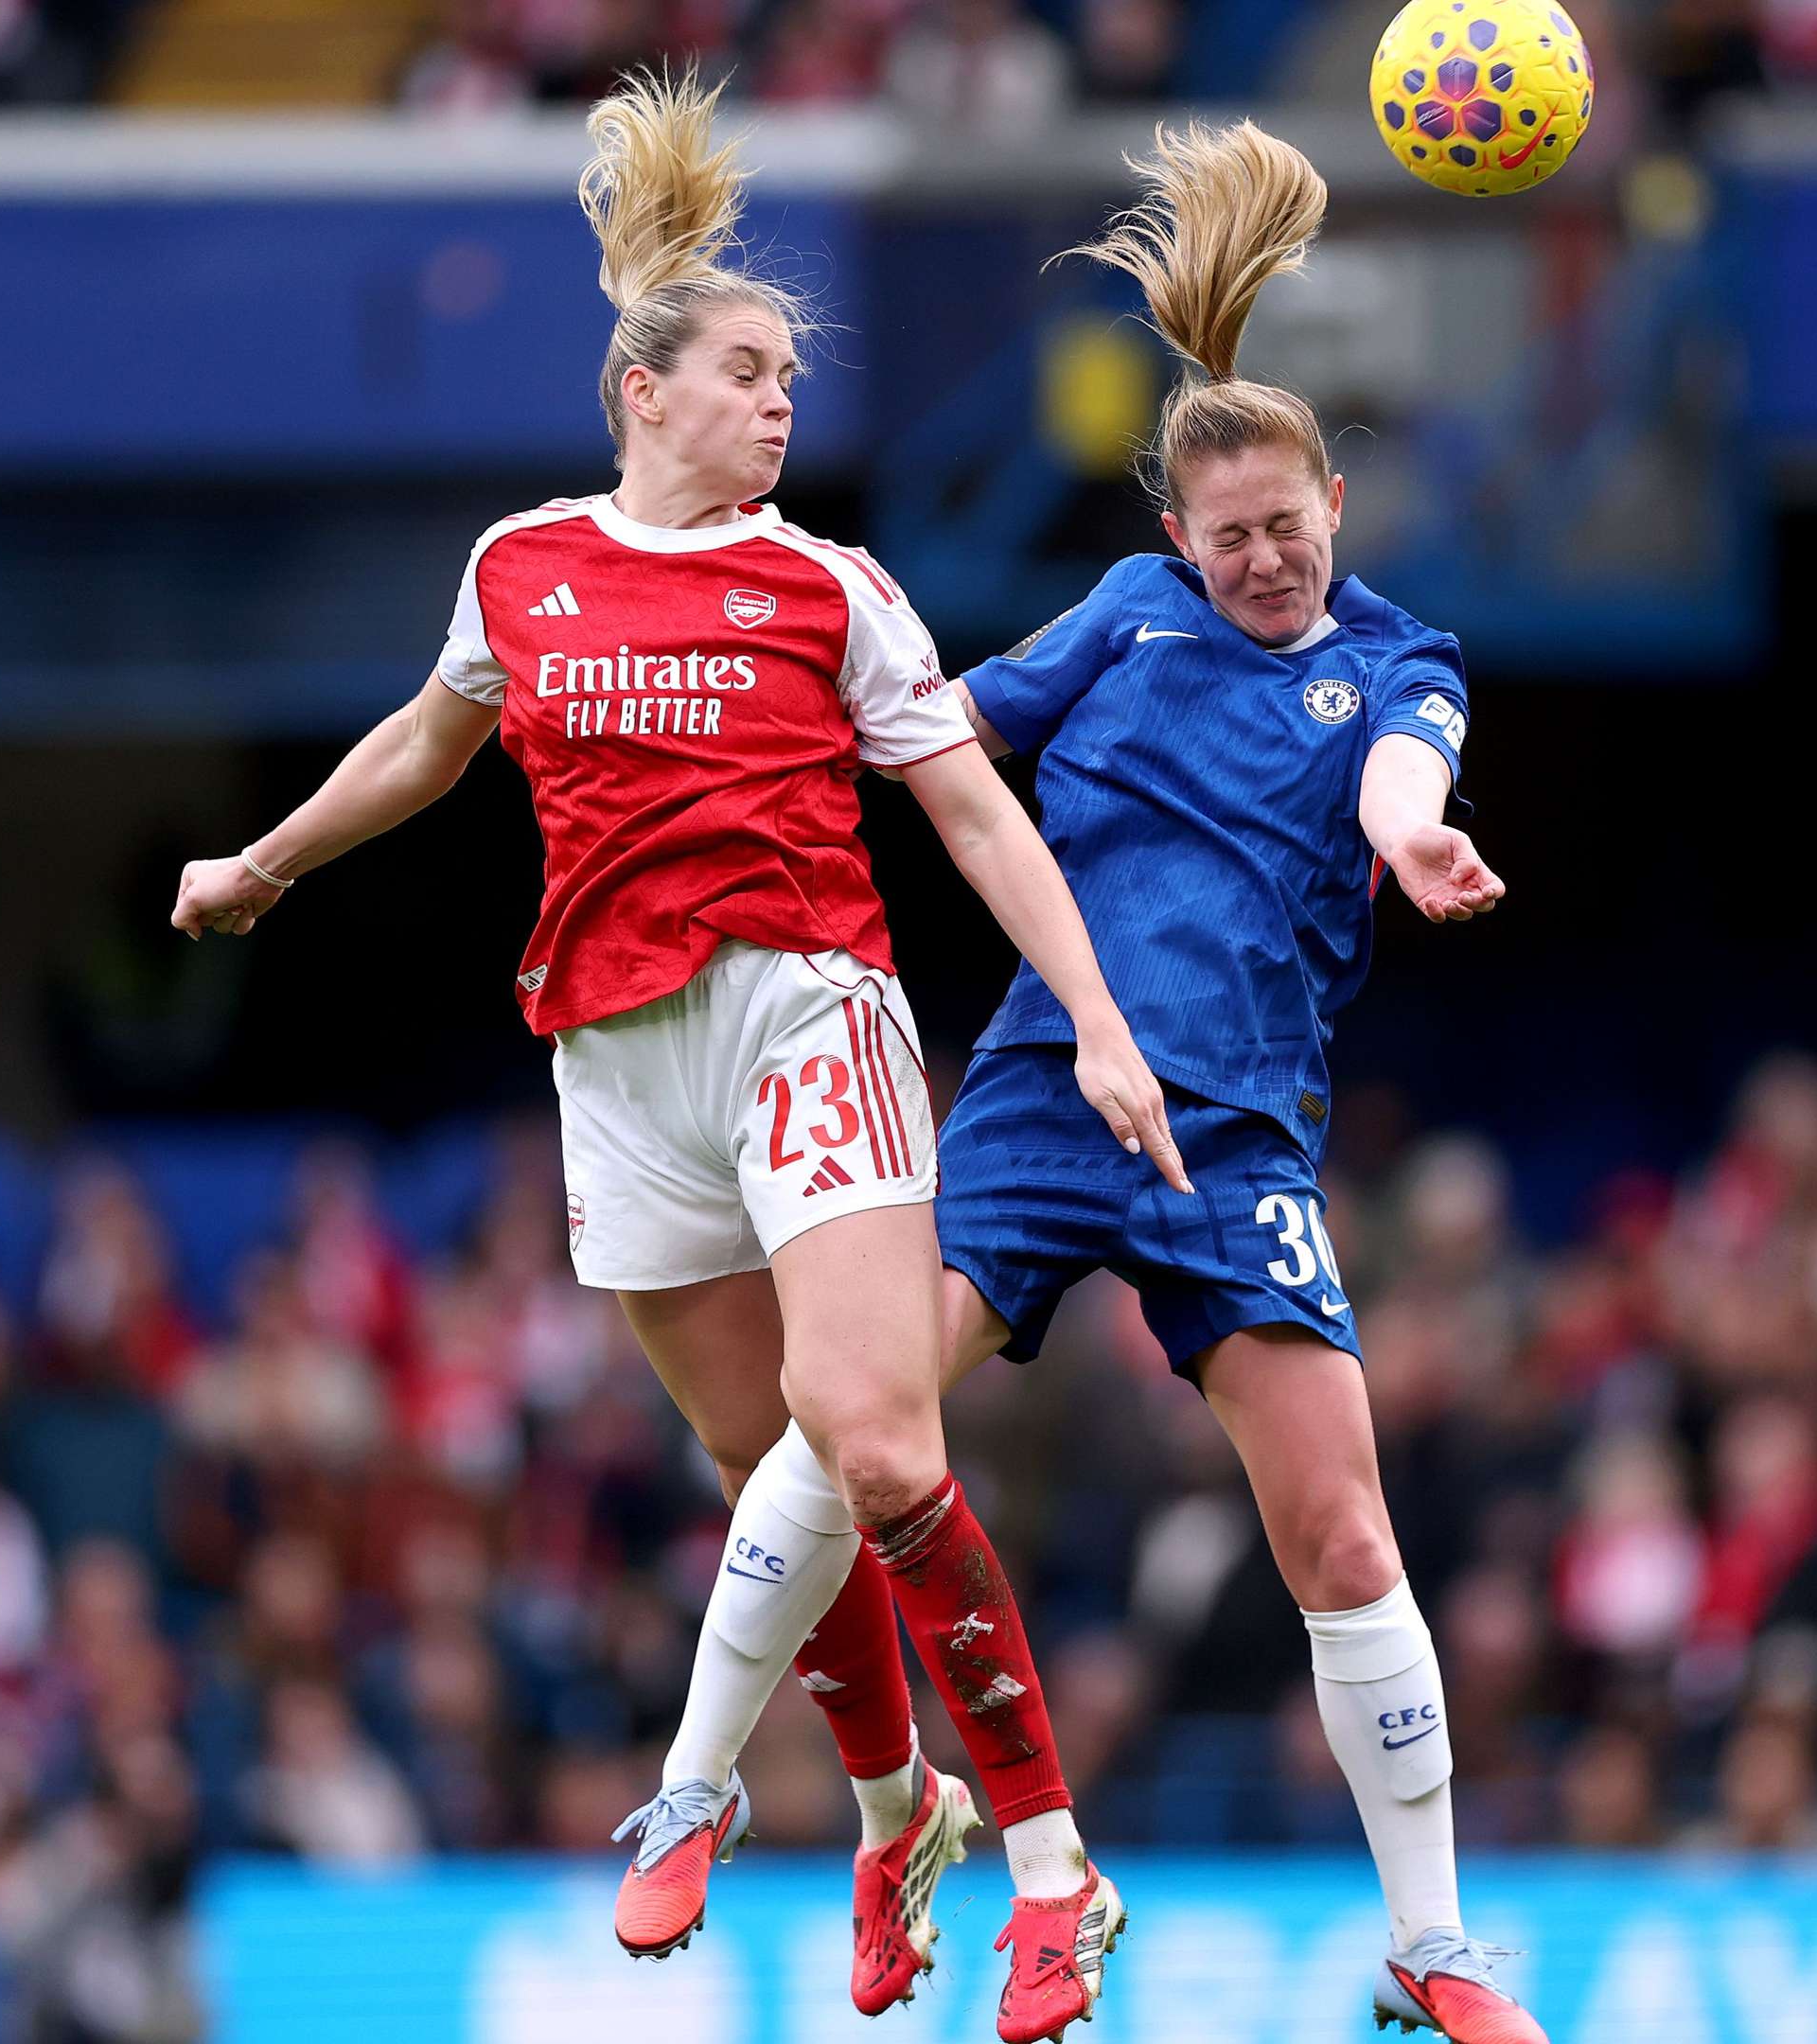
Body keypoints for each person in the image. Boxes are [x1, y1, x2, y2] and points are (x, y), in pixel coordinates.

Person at [165, 72, 1173, 2044]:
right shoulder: (521, 569)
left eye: (790, 379)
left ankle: (1057, 1872)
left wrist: (1102, 1025)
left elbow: (976, 814)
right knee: (761, 1475)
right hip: (616, 1062)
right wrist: (266, 862)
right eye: (747, 372)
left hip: (808, 1011)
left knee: (876, 1443)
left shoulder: (831, 588)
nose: (782, 405)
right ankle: (896, 1811)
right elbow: (427, 746)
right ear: (645, 391)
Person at [685, 119, 1538, 2042]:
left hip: (1237, 1141)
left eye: (1286, 524)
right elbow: (936, 734)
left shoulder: (1403, 665)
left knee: (1342, 1535)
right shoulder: (1122, 621)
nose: (1262, 558)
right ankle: (711, 1782)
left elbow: (1406, 771)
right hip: (1040, 1099)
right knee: (860, 1417)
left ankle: (1431, 1942)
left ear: (1335, 500)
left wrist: (1414, 837)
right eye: (1226, 537)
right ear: (1179, 540)